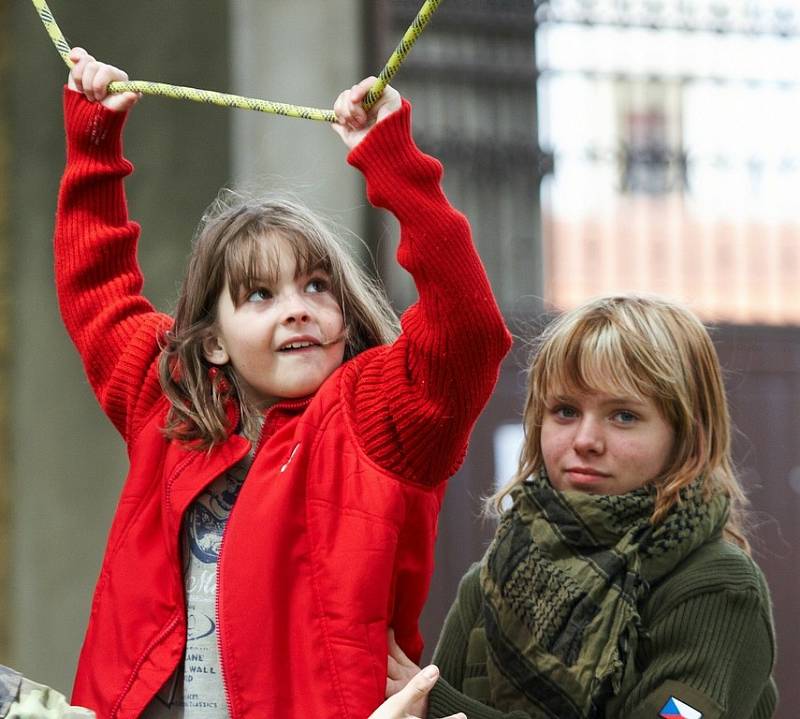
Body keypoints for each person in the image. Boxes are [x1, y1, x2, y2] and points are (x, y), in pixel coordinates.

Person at [56, 48, 511, 718]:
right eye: (260, 295)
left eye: (315, 286)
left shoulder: (386, 416)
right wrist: (93, 143)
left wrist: (393, 162)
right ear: (212, 339)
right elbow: (97, 289)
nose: (297, 306)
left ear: (342, 309)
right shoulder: (170, 398)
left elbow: (468, 331)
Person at [385, 295, 778, 719]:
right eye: (565, 411)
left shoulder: (718, 589)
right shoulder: (488, 582)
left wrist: (437, 705)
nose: (585, 439)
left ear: (687, 437)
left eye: (623, 415)